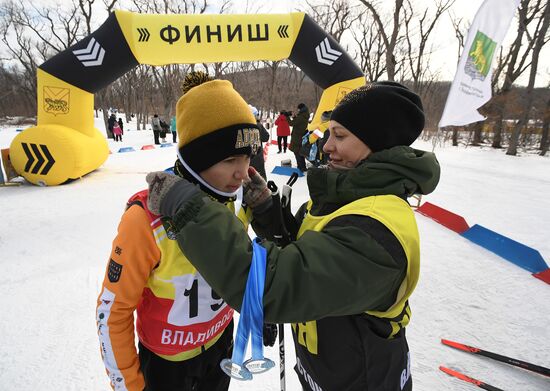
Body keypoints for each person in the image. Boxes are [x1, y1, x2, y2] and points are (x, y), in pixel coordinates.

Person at [144, 81, 441, 391]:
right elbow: (305, 249)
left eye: (340, 136)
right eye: (330, 134)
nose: (326, 146)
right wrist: (269, 211)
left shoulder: (378, 233)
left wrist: (188, 209)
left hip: (364, 380)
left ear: (377, 143)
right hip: (330, 370)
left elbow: (272, 287)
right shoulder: (349, 193)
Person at [96, 71, 275, 391]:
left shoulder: (235, 200)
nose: (242, 171)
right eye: (230, 158)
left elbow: (245, 263)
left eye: (247, 155)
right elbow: (112, 313)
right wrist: (131, 386)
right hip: (168, 363)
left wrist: (258, 306)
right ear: (196, 159)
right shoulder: (146, 219)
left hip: (221, 345)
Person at [248, 104, 270, 180]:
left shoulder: (242, 126)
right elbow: (266, 137)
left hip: (245, 158)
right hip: (257, 156)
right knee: (260, 178)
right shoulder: (258, 125)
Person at [288, 103, 310, 172]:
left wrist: (286, 117)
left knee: (297, 152)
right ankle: (302, 167)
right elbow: (297, 123)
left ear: (300, 109)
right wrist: (294, 117)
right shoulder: (304, 115)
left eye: (298, 109)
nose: (297, 110)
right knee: (300, 153)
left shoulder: (301, 117)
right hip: (300, 136)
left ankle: (300, 167)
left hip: (297, 137)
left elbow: (291, 123)